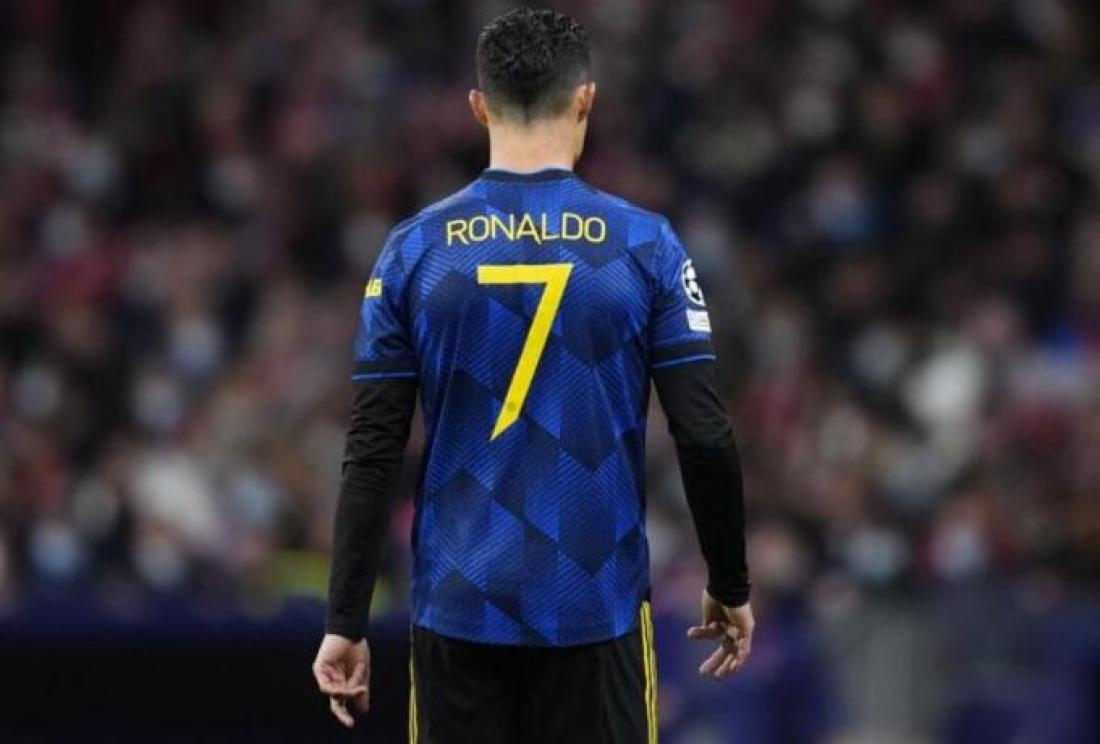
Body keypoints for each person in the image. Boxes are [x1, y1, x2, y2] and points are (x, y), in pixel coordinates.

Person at [311, 8, 754, 742]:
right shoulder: (644, 246)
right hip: (595, 606)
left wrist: (345, 617)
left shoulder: (414, 250)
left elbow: (372, 447)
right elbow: (704, 433)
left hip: (458, 610)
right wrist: (729, 581)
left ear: (478, 107)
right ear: (586, 99)